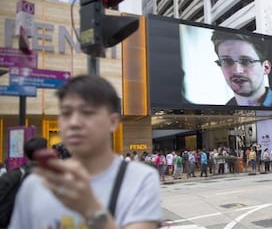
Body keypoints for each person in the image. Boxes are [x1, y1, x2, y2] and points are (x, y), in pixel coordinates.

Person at [9, 74, 161, 229]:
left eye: (87, 112)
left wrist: (90, 209)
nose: (74, 122)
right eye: (66, 113)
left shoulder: (141, 180)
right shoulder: (34, 184)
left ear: (113, 121)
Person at [211, 30, 272, 107]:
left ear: (266, 68)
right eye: (227, 61)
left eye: (246, 61)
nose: (237, 71)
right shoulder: (222, 114)